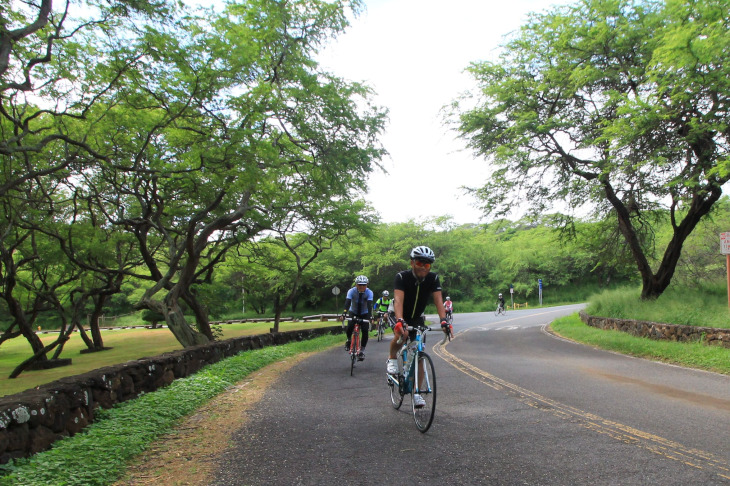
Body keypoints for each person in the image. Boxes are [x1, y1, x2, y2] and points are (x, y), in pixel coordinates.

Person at [387, 246, 448, 408]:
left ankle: (416, 393)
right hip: (397, 312)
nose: (423, 267)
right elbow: (398, 300)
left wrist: (444, 321)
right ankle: (392, 358)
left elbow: (438, 301)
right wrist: (400, 320)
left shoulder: (433, 279)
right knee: (403, 334)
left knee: (419, 353)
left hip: (417, 317)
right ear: (412, 262)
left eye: (427, 265)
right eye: (420, 263)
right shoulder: (401, 277)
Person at [340, 275, 374, 360]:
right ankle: (348, 340)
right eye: (360, 285)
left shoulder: (369, 292)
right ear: (356, 285)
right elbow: (347, 303)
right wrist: (344, 313)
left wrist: (370, 317)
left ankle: (362, 351)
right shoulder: (351, 291)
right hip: (353, 312)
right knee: (350, 327)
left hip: (364, 313)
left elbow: (370, 305)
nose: (362, 286)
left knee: (365, 331)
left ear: (367, 285)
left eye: (364, 285)